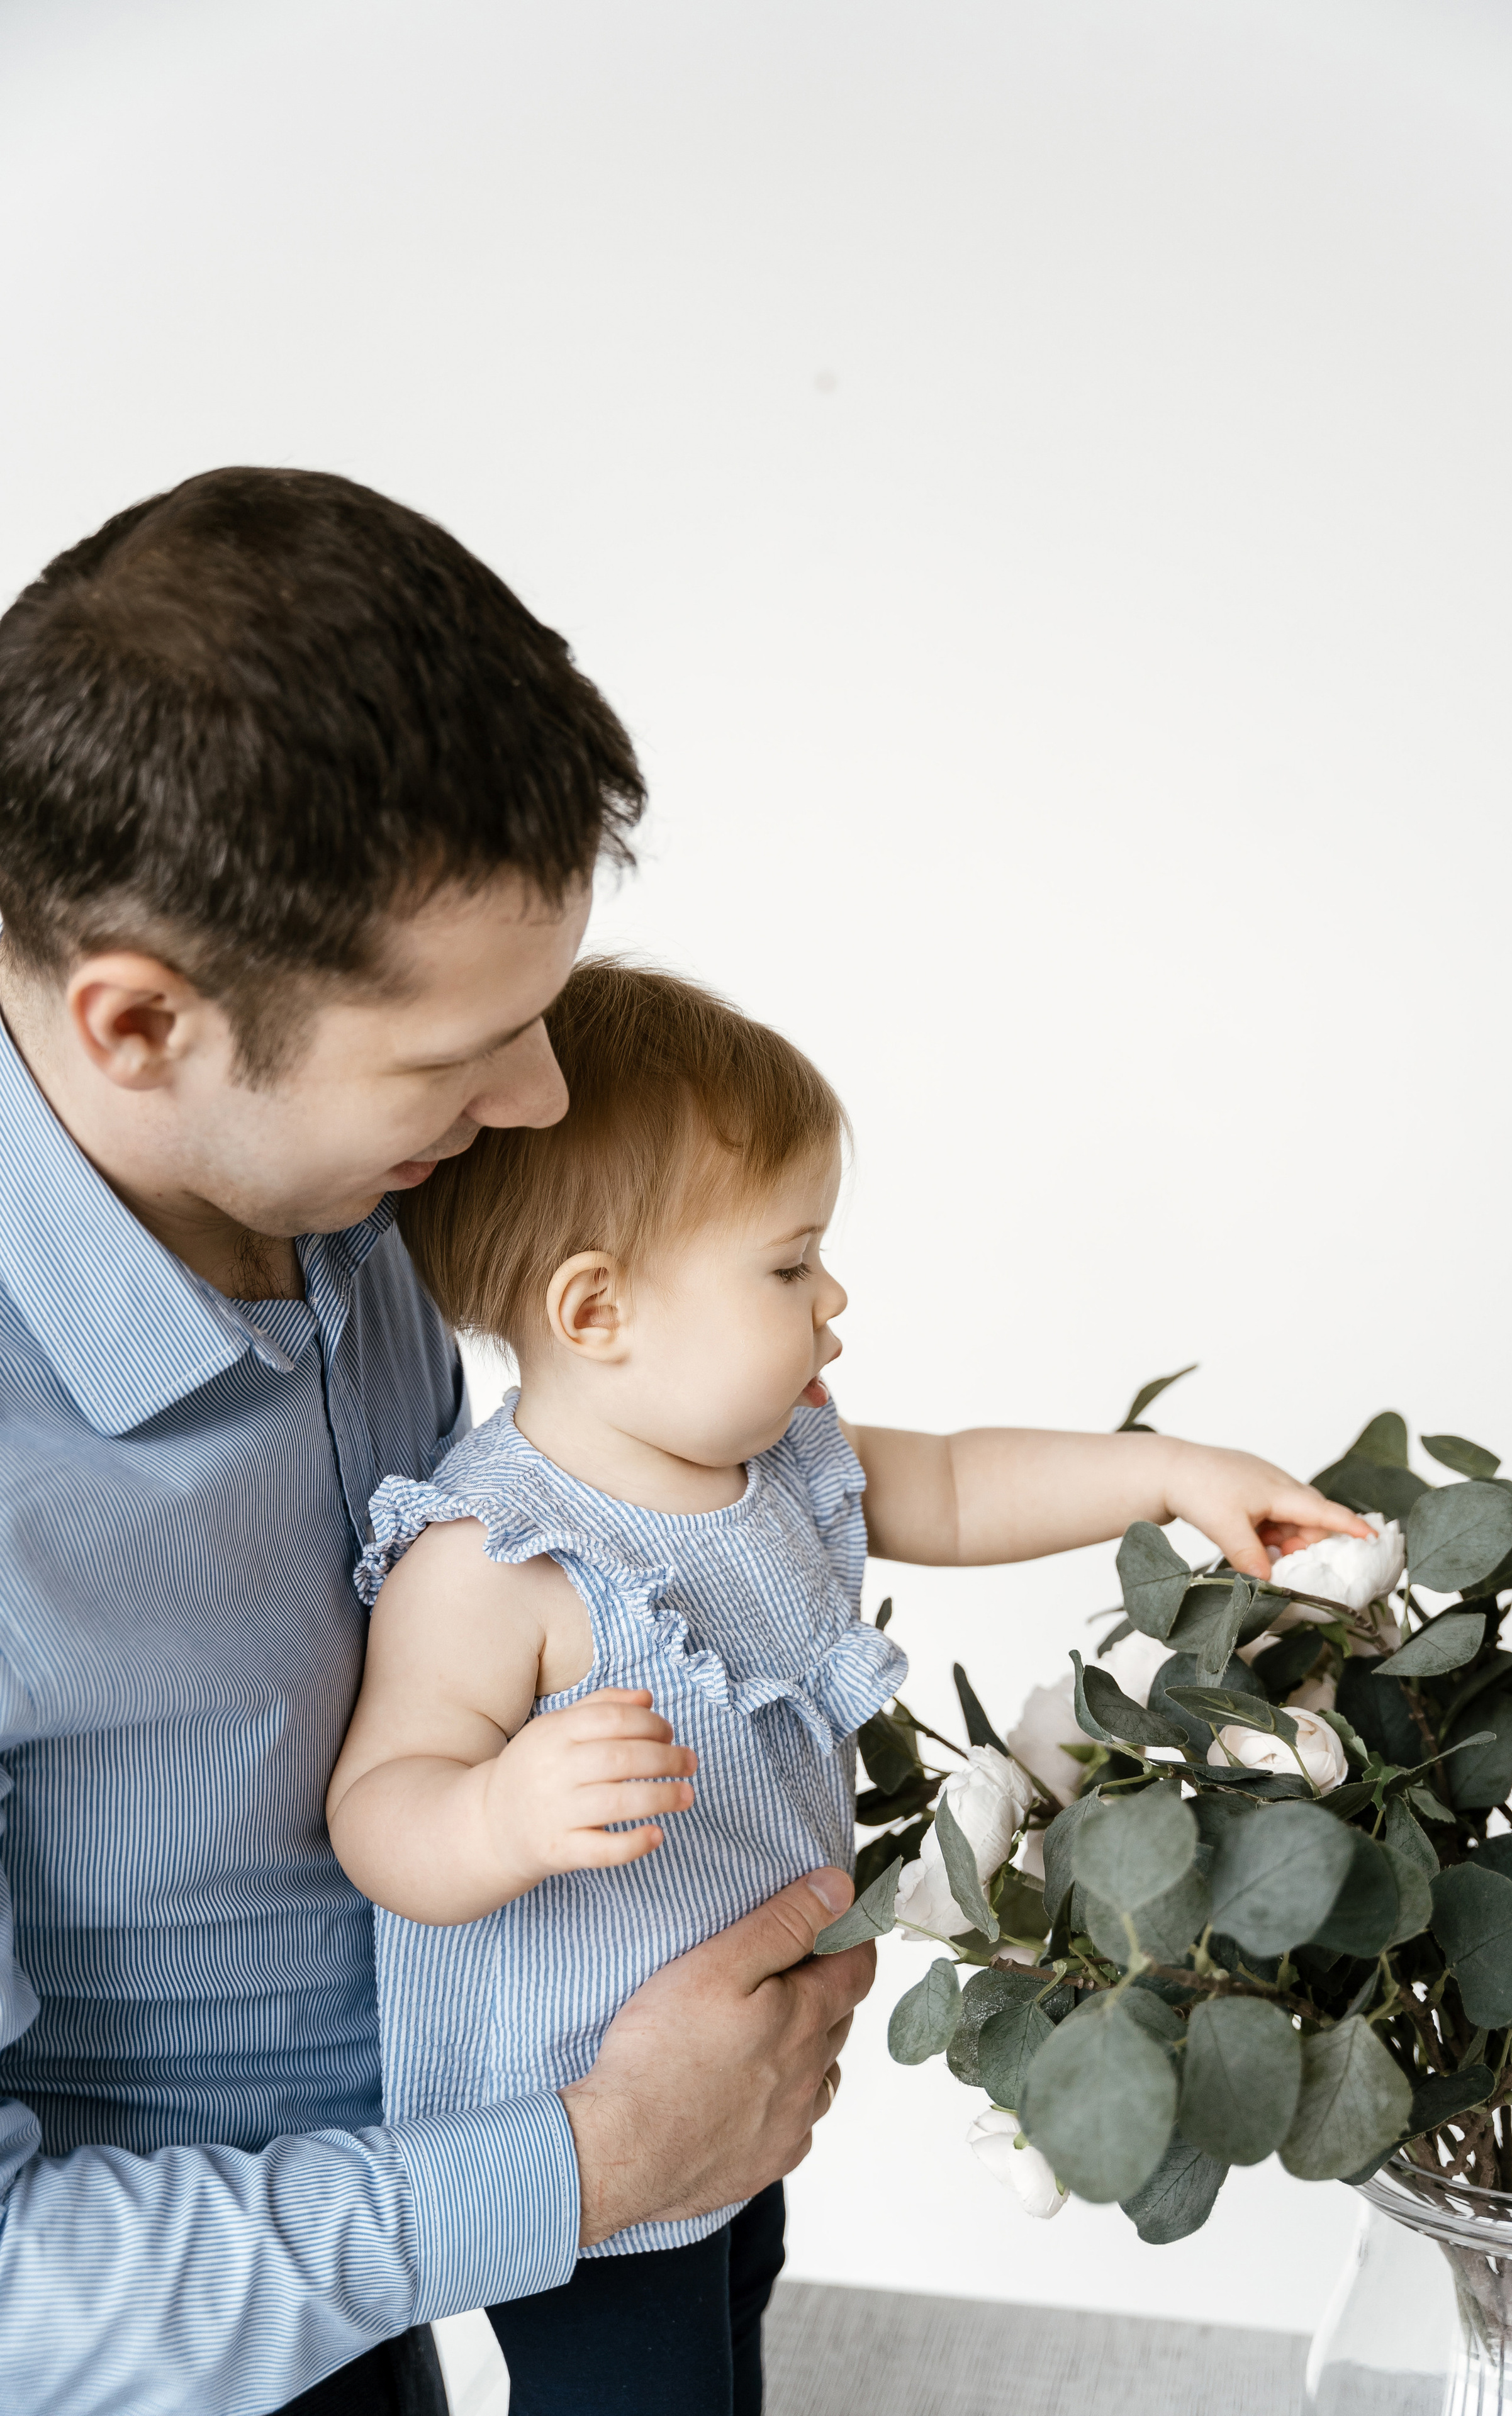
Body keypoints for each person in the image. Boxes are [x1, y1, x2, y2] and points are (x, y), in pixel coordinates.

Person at [0, 469, 871, 2416]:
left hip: (430, 2269)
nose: (540, 1097)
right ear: (139, 1027)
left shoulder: (342, 1182)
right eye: (455, 1053)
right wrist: (597, 2162)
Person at [325, 958, 1374, 2416]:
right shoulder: (495, 1558)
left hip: (738, 2083)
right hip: (580, 2127)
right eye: (785, 1265)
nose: (831, 1298)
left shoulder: (773, 1464)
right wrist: (500, 1813)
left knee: (732, 2321)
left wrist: (1169, 1475)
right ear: (597, 1307)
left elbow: (955, 1482)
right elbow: (379, 1813)